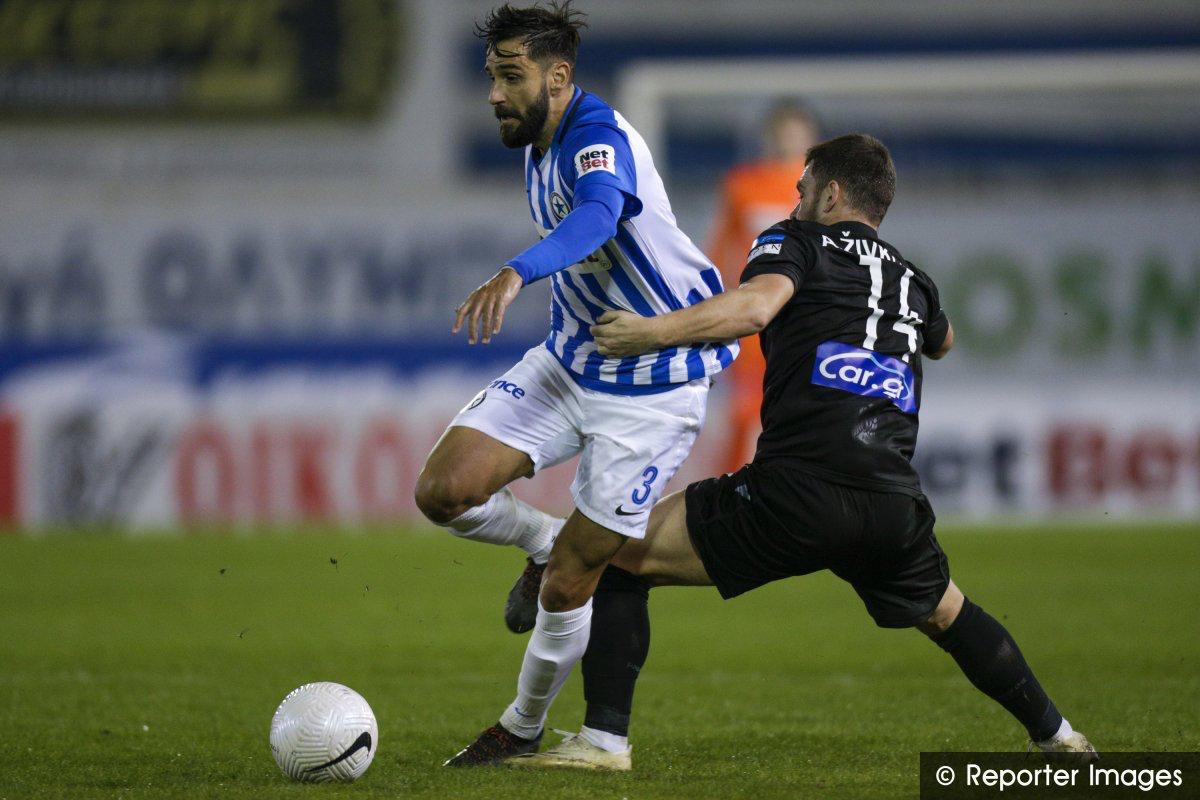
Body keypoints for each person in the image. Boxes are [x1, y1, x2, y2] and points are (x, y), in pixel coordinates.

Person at [506, 133, 1095, 769]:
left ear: (831, 194)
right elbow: (944, 340)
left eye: (803, 188)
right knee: (949, 614)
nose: (796, 200)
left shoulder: (795, 241)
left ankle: (603, 741)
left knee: (616, 552)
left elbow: (757, 308)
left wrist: (650, 333)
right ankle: (1061, 739)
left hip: (798, 491)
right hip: (890, 502)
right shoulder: (911, 279)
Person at [413, 1, 737, 768]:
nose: (494, 93)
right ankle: (541, 537)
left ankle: (522, 726)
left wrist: (516, 271)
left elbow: (597, 215)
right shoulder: (538, 141)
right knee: (443, 491)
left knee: (571, 582)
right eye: (491, 75)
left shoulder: (596, 137)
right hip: (570, 360)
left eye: (510, 76)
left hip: (653, 386)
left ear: (558, 77)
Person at [707, 101, 821, 474]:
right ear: (770, 137)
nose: (789, 141)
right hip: (755, 314)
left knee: (808, 409)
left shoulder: (825, 189)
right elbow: (721, 247)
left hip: (807, 315)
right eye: (783, 133)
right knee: (746, 411)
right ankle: (726, 488)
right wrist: (717, 300)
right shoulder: (742, 184)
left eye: (797, 134)